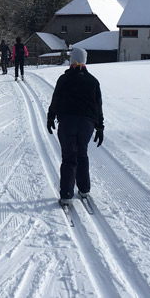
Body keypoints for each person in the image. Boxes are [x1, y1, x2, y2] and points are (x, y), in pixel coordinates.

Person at [46, 47, 104, 207]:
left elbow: (56, 99)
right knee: (82, 154)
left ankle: (66, 195)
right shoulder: (92, 81)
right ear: (85, 61)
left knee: (69, 157)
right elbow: (98, 105)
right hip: (87, 123)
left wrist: (51, 117)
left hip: (67, 122)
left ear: (71, 60)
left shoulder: (64, 79)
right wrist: (100, 127)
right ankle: (84, 189)